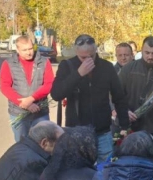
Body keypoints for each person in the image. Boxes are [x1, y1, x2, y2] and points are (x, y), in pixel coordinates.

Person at [51, 34, 130, 163]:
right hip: (76, 132)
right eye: (83, 57)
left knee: (104, 171)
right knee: (79, 173)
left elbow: (119, 97)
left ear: (95, 51)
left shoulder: (106, 67)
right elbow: (56, 94)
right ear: (76, 52)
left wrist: (124, 126)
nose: (88, 60)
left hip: (102, 132)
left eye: (91, 56)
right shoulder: (67, 66)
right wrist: (78, 74)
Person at [0, 35, 55, 142]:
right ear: (18, 50)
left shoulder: (44, 62)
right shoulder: (8, 64)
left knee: (45, 146)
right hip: (18, 113)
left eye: (30, 49)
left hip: (40, 113)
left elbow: (49, 83)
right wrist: (24, 103)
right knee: (23, 146)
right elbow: (5, 87)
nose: (29, 52)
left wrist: (32, 99)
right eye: (24, 50)